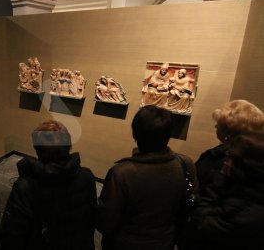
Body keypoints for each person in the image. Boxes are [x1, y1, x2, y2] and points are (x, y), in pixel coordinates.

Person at [97, 105, 197, 250]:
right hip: (165, 241)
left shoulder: (122, 172)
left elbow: (105, 222)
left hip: (125, 243)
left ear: (135, 134)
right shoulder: (185, 164)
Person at [1, 120, 96, 250]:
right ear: (68, 145)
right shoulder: (87, 176)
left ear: (37, 149)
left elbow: (12, 236)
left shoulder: (25, 186)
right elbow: (90, 221)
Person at [187, 132, 264, 249]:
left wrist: (219, 180)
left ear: (244, 166)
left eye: (231, 157)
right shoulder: (248, 190)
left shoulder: (242, 210)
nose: (226, 162)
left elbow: (201, 221)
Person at [196, 99, 264, 195]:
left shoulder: (225, 161)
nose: (216, 126)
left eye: (219, 124)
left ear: (228, 131)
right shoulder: (253, 160)